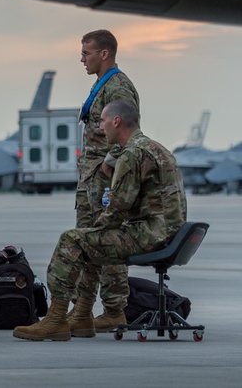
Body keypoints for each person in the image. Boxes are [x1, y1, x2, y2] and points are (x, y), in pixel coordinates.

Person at [14, 99, 186, 341]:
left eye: (103, 121)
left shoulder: (132, 155)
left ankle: (55, 319)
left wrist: (89, 232)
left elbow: (116, 210)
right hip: (166, 234)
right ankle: (82, 316)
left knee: (72, 240)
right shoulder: (157, 148)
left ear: (117, 121)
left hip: (149, 236)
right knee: (90, 241)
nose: (101, 127)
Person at [73, 29, 139, 334]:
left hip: (103, 180)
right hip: (91, 178)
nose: (82, 59)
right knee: (88, 243)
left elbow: (127, 132)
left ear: (104, 54)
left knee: (107, 242)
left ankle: (114, 310)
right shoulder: (102, 86)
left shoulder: (118, 86)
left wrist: (106, 166)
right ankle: (83, 309)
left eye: (86, 53)